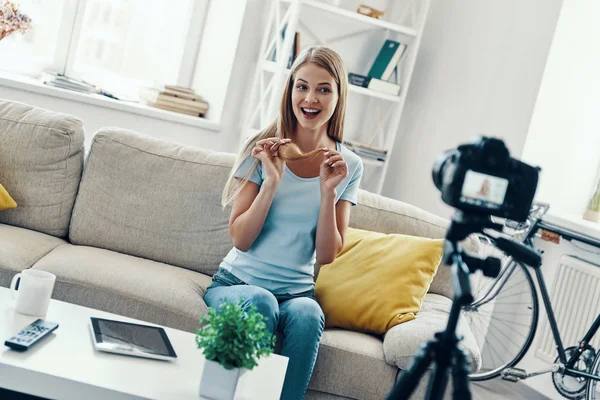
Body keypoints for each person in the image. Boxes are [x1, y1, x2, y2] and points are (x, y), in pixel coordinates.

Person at [204, 46, 364, 400]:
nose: (310, 98)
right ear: (290, 89)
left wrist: (327, 193)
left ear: (339, 96)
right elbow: (241, 240)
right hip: (237, 284)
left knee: (308, 313)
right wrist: (272, 181)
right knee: (261, 301)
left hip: (297, 293)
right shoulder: (262, 149)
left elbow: (327, 255)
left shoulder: (348, 165)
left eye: (324, 89)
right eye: (302, 86)